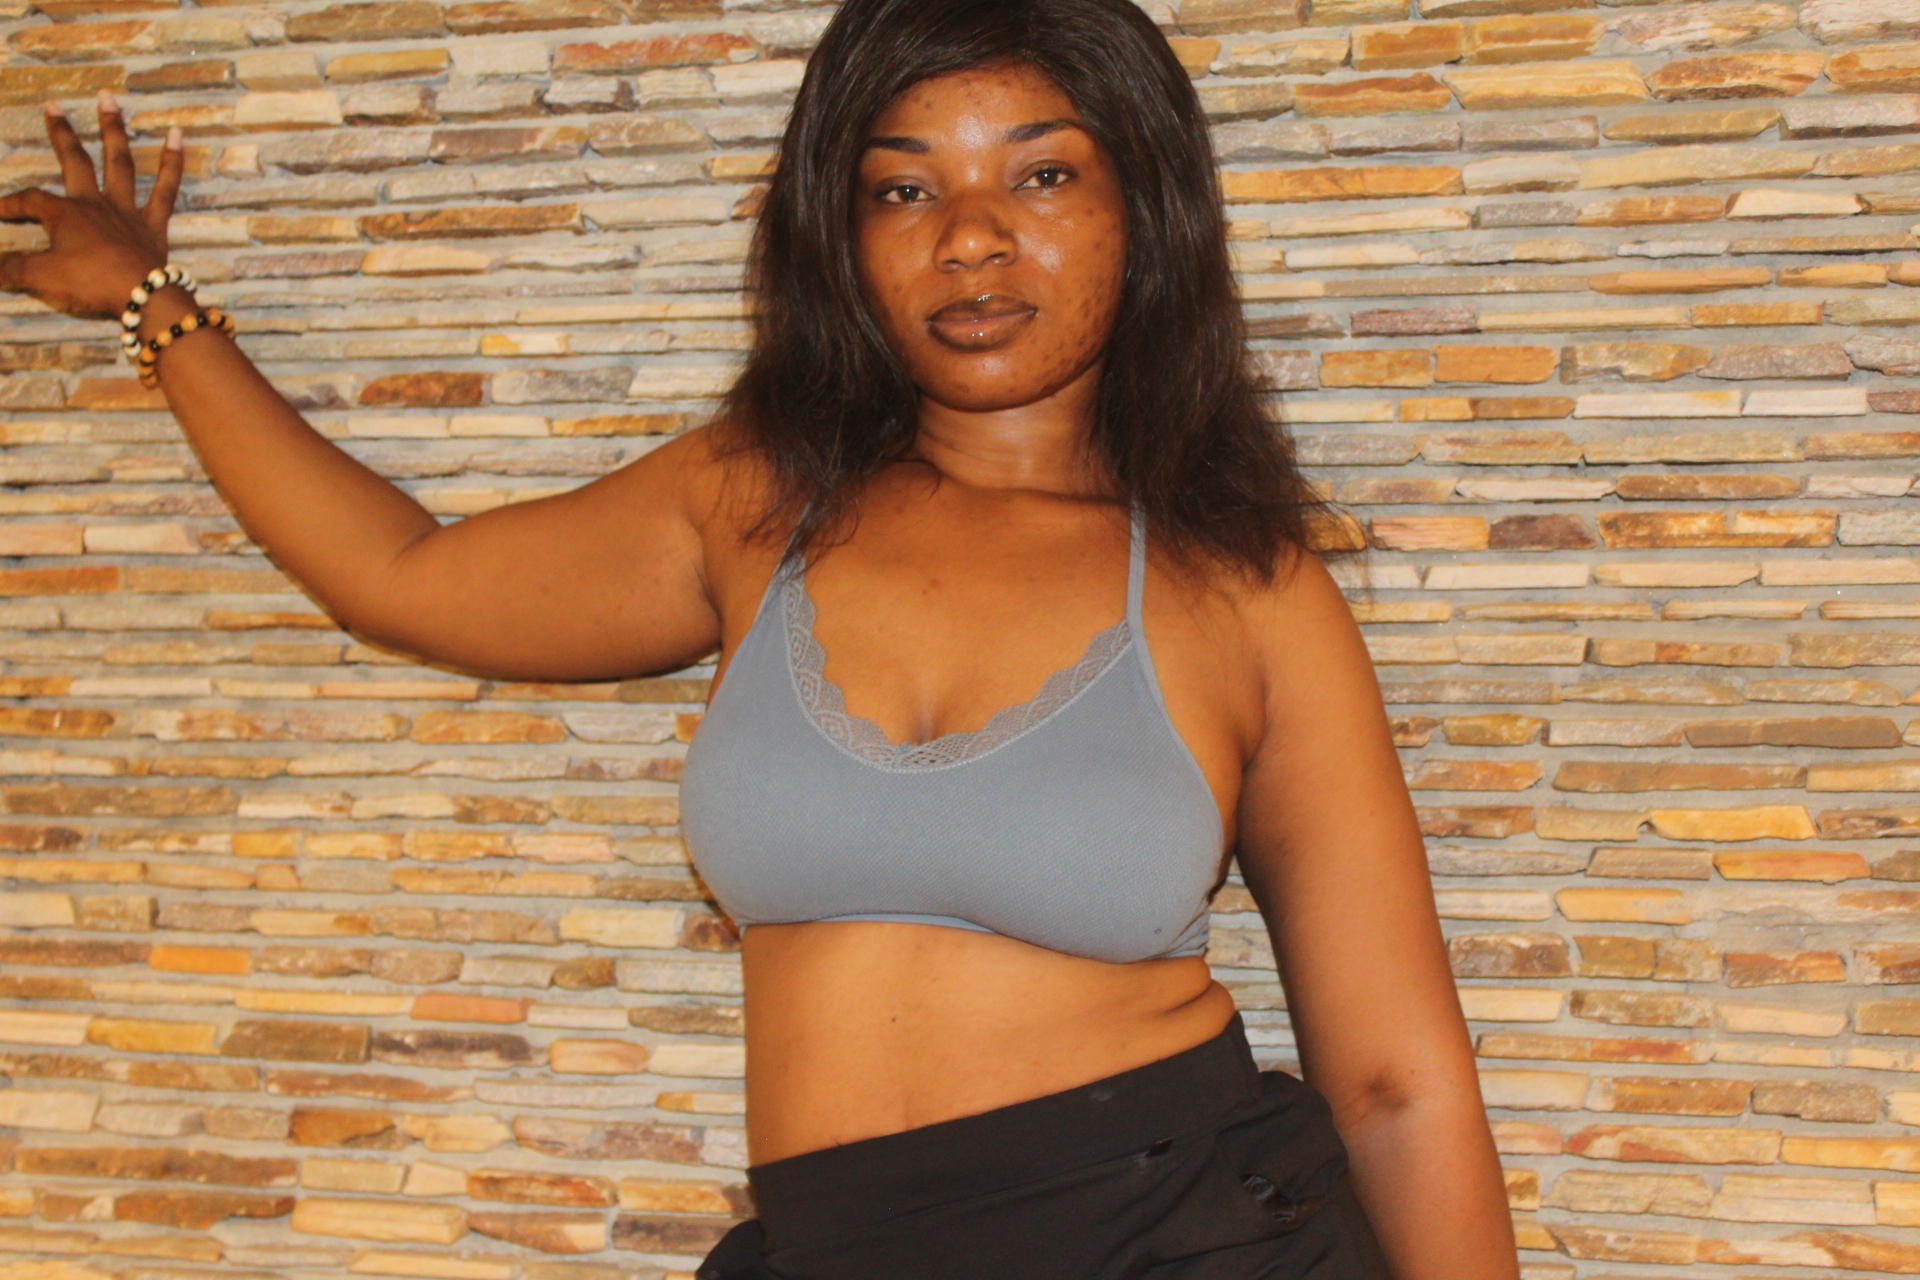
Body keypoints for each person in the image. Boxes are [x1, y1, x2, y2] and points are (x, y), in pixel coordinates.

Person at [0, 0, 1520, 1276]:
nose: (971, 238)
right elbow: (401, 573)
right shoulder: (756, 500)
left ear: (1147, 210)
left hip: (1181, 1233)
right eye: (903, 190)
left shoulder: (1242, 586)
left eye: (1044, 176)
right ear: (838, 234)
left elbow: (1396, 1085)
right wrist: (155, 304)